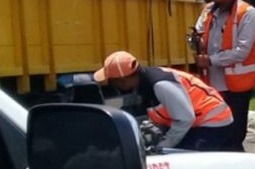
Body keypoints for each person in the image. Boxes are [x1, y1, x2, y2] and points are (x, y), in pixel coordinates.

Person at [94, 51, 233, 151]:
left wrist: (163, 146)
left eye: (113, 81)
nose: (113, 85)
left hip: (214, 122)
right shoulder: (144, 83)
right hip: (198, 121)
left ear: (124, 80)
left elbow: (185, 119)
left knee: (183, 158)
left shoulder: (161, 86)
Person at [195, 0, 255, 152]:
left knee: (233, 135)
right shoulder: (208, 11)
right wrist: (196, 43)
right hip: (212, 85)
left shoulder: (247, 13)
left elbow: (242, 51)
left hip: (237, 86)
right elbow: (199, 34)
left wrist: (210, 60)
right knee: (216, 133)